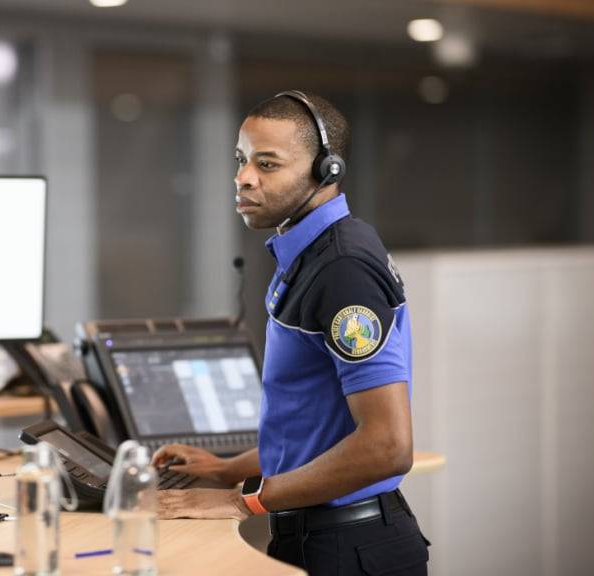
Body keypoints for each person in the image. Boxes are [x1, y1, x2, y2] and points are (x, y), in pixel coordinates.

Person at [151, 91, 430, 575]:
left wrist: (244, 501)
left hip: (350, 548)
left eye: (267, 163)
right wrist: (224, 470)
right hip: (323, 537)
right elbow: (317, 431)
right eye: (241, 160)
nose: (243, 177)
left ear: (326, 172)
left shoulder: (342, 269)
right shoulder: (308, 255)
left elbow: (387, 446)